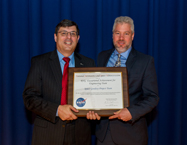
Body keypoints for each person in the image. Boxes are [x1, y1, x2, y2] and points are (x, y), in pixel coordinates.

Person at [87, 16, 159, 145]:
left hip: (131, 134)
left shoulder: (145, 61)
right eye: (117, 33)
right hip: (104, 134)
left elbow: (152, 97)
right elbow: (96, 89)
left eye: (126, 33)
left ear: (132, 36)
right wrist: (91, 108)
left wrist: (132, 112)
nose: (121, 38)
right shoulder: (102, 56)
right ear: (112, 35)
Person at [23, 19, 95, 145]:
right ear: (55, 37)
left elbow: (93, 97)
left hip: (80, 136)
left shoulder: (89, 63)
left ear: (78, 38)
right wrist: (57, 110)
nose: (69, 37)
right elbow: (29, 99)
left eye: (73, 33)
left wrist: (95, 110)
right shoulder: (40, 63)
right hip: (48, 135)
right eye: (64, 33)